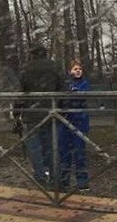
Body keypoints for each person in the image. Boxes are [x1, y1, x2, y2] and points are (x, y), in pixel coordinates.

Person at [17, 43, 65, 186]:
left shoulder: (26, 69)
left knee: (35, 148)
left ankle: (40, 177)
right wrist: (62, 109)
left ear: (32, 54)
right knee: (53, 147)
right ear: (45, 53)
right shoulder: (54, 67)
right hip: (51, 112)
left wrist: (16, 112)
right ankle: (56, 178)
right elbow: (62, 89)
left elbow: (20, 93)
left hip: (31, 114)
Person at [59, 60, 90, 192]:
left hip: (80, 120)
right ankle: (64, 181)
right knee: (64, 152)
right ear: (69, 71)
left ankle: (82, 181)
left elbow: (81, 97)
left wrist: (72, 95)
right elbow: (63, 99)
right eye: (75, 69)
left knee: (79, 152)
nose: (78, 71)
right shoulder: (65, 84)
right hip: (66, 120)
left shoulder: (85, 83)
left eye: (79, 69)